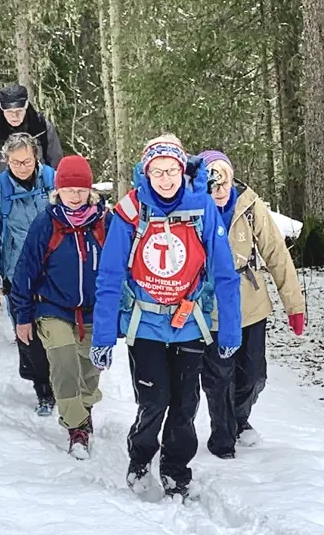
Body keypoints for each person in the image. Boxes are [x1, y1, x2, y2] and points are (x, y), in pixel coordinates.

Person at [91, 135, 242, 498]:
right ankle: (140, 458)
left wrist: (231, 331)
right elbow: (110, 276)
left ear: (182, 170)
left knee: (186, 404)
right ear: (145, 174)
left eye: (171, 170)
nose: (165, 178)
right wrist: (102, 336)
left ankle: (176, 470)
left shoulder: (203, 208)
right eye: (157, 171)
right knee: (155, 400)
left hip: (190, 322)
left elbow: (224, 273)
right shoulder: (130, 211)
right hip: (145, 324)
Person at [197, 151, 306, 458]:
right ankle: (223, 438)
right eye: (211, 177)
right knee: (219, 376)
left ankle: (239, 417)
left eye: (224, 176)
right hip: (212, 307)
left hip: (251, 303)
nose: (218, 185)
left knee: (254, 374)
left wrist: (294, 305)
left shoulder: (249, 204)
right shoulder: (193, 207)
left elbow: (277, 254)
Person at [10, 154, 110, 458]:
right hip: (52, 307)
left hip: (94, 310)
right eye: (69, 191)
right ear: (58, 192)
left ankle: (86, 406)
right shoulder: (46, 224)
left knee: (90, 368)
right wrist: (23, 317)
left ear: (90, 191)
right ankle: (76, 426)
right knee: (64, 362)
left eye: (81, 191)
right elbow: (24, 272)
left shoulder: (106, 223)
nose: (75, 197)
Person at [0, 133, 58, 417]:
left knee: (59, 331)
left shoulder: (52, 180)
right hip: (18, 271)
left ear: (36, 157)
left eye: (27, 161)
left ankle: (63, 383)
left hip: (55, 270)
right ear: (6, 161)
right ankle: (43, 390)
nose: (22, 167)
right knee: (27, 334)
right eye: (15, 163)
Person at [0, 84, 63, 246]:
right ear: (1, 110)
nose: (15, 116)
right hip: (3, 210)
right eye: (9, 112)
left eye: (19, 111)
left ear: (26, 107)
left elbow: (58, 175)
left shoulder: (43, 129)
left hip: (39, 209)